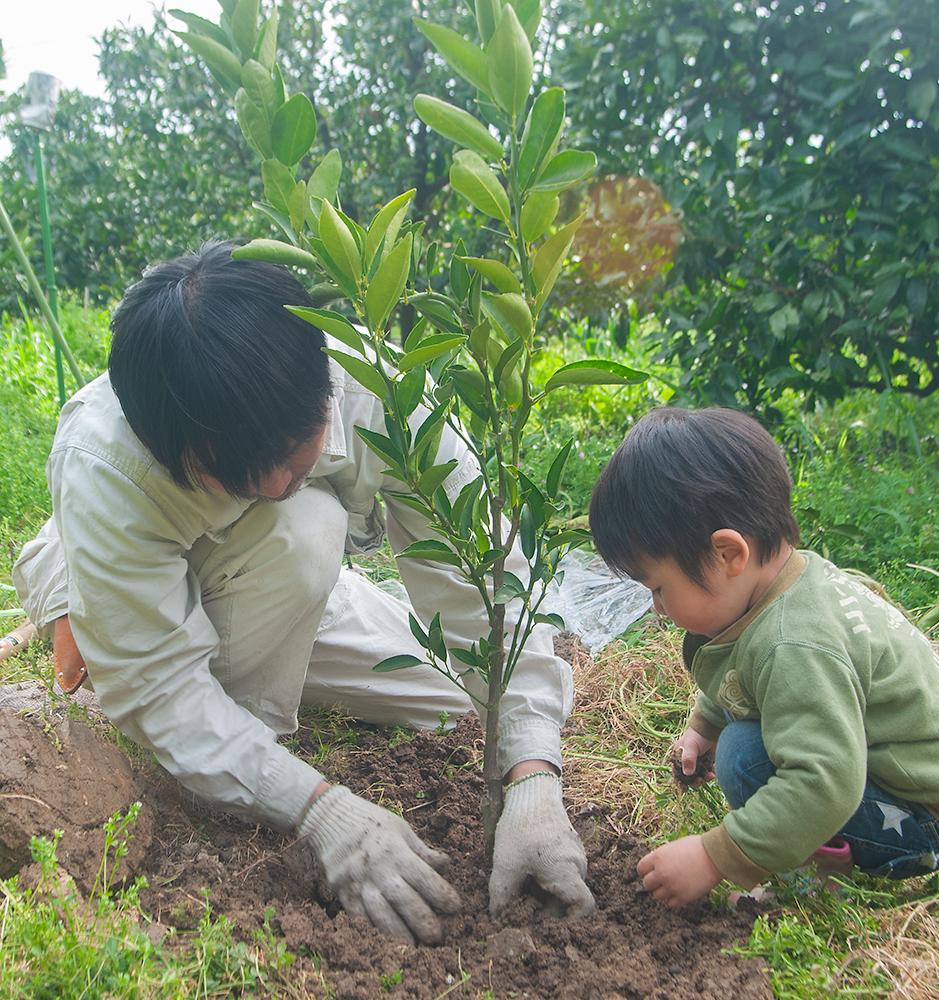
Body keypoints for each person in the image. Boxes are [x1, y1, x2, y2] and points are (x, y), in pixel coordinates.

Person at [12, 241, 594, 944]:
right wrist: (319, 808)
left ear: (325, 391)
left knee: (457, 699)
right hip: (196, 574)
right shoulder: (106, 461)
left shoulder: (381, 391)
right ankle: (90, 606)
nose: (269, 486)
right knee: (306, 525)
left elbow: (479, 572)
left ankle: (264, 641)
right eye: (231, 476)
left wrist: (532, 774)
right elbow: (159, 690)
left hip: (280, 581)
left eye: (291, 459)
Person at [588, 406, 939, 908]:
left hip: (922, 820)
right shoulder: (787, 584)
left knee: (745, 758)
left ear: (727, 555)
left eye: (657, 587)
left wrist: (716, 856)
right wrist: (704, 724)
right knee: (741, 741)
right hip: (914, 780)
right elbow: (745, 660)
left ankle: (816, 876)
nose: (658, 607)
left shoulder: (795, 643)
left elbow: (825, 781)